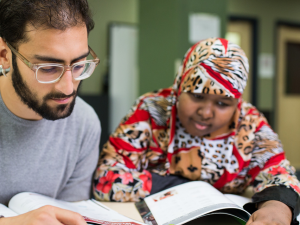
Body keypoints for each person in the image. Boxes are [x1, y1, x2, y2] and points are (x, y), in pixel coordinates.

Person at [94, 38, 300, 225]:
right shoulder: (151, 110)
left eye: (222, 103)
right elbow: (106, 178)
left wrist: (277, 206)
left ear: (237, 103)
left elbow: (280, 174)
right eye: (197, 96)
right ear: (179, 86)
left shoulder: (251, 124)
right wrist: (185, 188)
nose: (206, 112)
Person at [0, 0, 101, 224]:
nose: (68, 88)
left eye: (78, 65)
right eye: (47, 68)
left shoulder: (85, 124)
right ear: (4, 55)